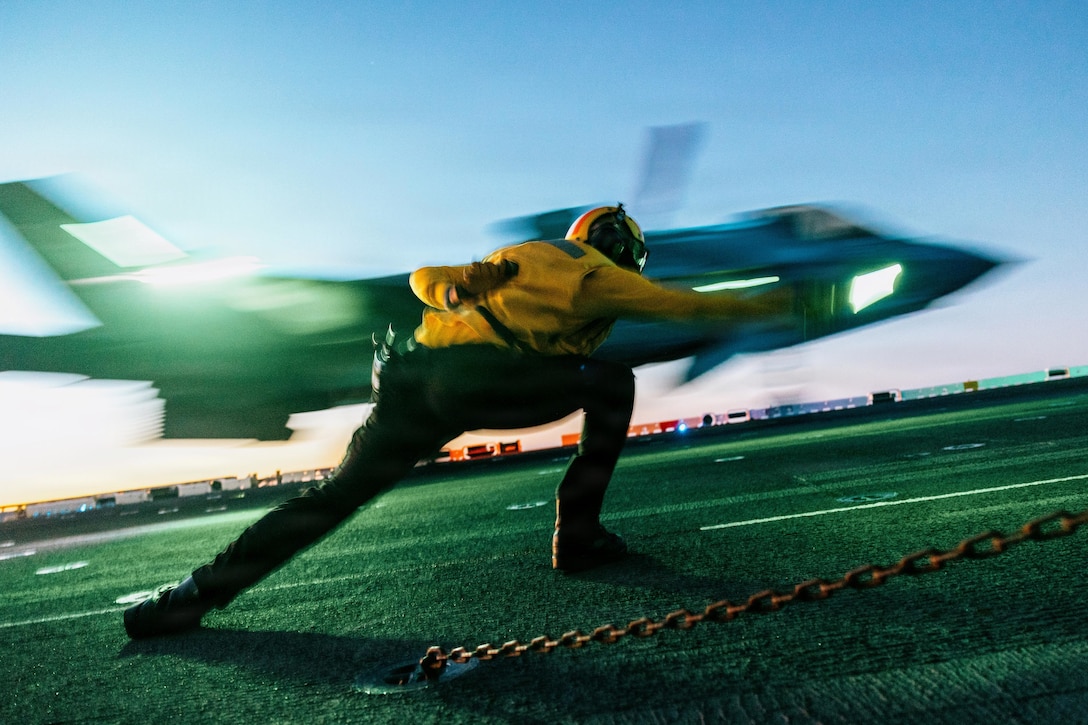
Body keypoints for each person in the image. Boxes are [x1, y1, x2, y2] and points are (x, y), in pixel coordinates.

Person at [124, 204, 791, 639]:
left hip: (411, 387)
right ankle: (578, 535)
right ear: (621, 248)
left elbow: (425, 276)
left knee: (327, 502)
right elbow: (675, 306)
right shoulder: (596, 274)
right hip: (484, 382)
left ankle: (186, 597)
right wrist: (766, 306)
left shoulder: (524, 256)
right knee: (613, 382)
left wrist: (451, 290)